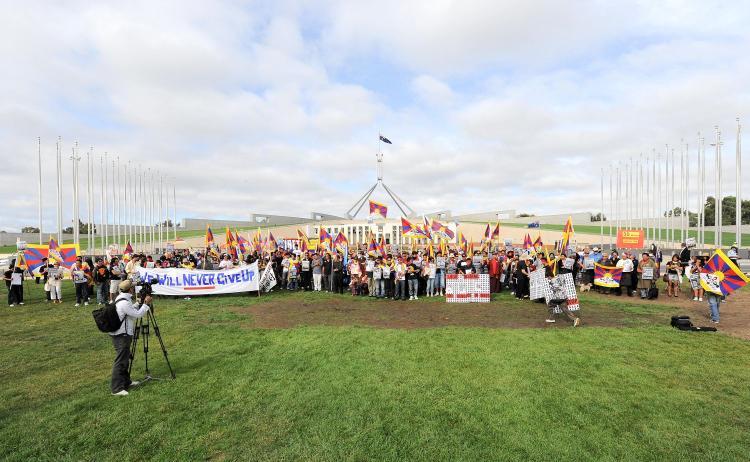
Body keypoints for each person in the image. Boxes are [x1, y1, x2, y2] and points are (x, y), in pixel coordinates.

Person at [109, 280, 152, 396]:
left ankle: (126, 382)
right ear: (130, 289)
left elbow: (129, 311)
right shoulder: (124, 302)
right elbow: (137, 315)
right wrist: (146, 304)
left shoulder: (121, 298)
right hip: (122, 335)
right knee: (121, 361)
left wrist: (138, 304)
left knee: (125, 359)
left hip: (120, 333)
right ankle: (116, 388)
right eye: (133, 288)